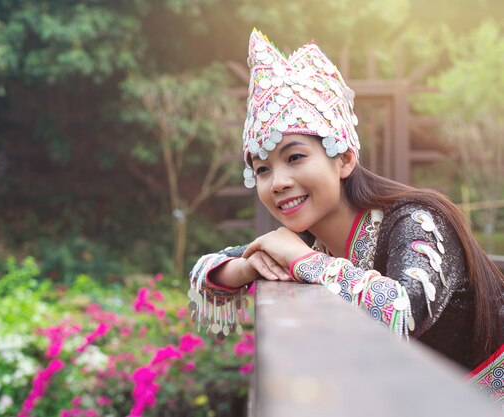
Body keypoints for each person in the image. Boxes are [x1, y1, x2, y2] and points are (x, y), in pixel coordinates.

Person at [188, 29, 504, 403]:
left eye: (295, 157)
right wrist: (248, 267)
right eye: (262, 170)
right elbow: (201, 277)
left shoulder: (416, 221)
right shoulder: (308, 235)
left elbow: (404, 309)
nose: (278, 182)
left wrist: (306, 261)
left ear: (345, 160)